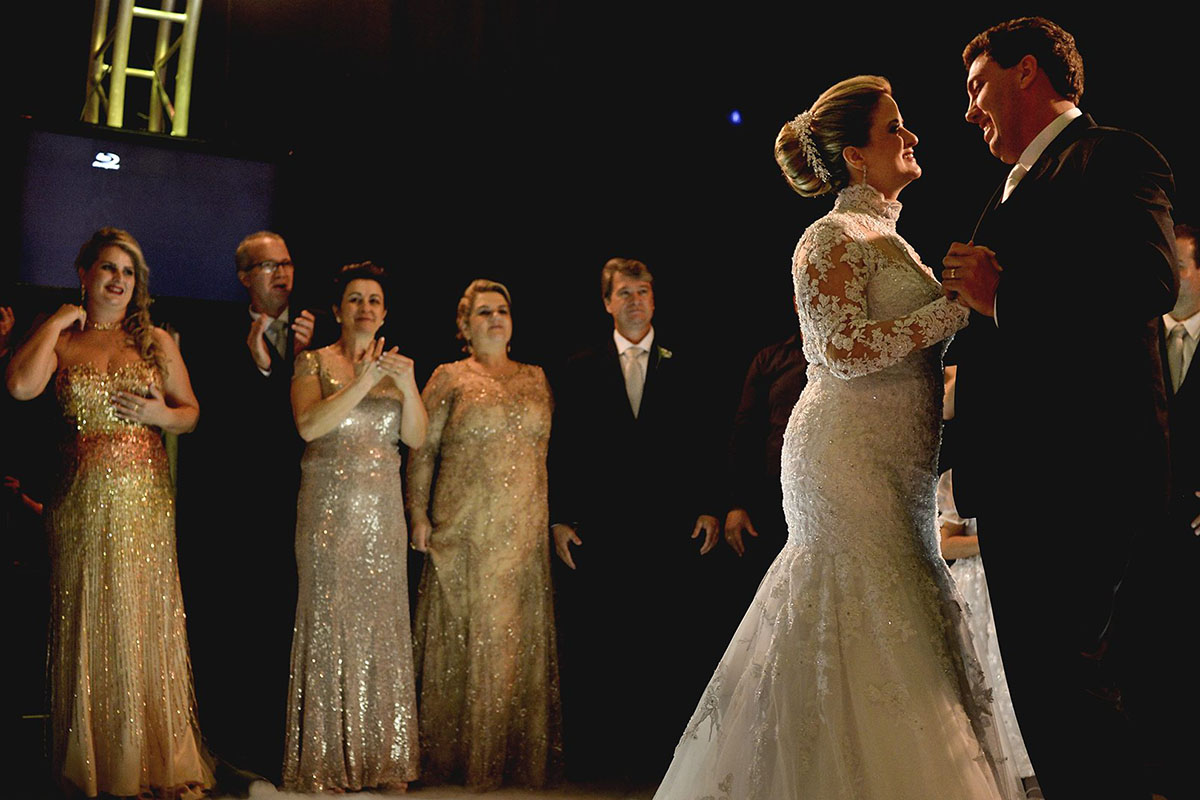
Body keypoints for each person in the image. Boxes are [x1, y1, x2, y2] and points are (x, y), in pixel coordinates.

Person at [653, 77, 1020, 800]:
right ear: (855, 156)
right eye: (895, 128)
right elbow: (840, 350)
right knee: (860, 608)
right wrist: (957, 310)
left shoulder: (891, 239)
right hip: (845, 459)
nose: (911, 138)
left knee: (898, 611)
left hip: (900, 466)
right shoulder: (828, 237)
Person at [942, 17, 1177, 799]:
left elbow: (1149, 280)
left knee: (1069, 682)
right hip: (1021, 483)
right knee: (1043, 690)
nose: (969, 110)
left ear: (1028, 72)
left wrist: (1002, 296)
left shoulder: (1114, 157)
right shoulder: (1008, 187)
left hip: (1083, 476)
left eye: (978, 86)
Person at [5, 227, 211, 799]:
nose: (118, 280)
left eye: (128, 272)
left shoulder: (155, 341)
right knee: (92, 621)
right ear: (85, 274)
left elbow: (191, 412)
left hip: (144, 500)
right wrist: (54, 322)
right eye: (108, 268)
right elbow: (19, 386)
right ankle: (105, 766)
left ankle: (156, 761)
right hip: (79, 502)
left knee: (142, 620)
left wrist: (160, 416)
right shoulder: (64, 340)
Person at [549, 257, 722, 782]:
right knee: (608, 644)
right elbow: (563, 448)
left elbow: (708, 437)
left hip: (670, 527)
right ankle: (608, 761)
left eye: (643, 291)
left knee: (666, 642)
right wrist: (560, 518)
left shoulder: (686, 361)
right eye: (624, 292)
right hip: (604, 529)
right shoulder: (579, 366)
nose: (635, 301)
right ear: (607, 302)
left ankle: (664, 762)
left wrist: (710, 504)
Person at [406, 278, 562, 790]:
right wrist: (417, 513)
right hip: (465, 527)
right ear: (464, 326)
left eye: (502, 311)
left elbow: (551, 455)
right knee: (463, 639)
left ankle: (509, 756)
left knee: (513, 644)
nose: (495, 319)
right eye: (484, 312)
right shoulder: (449, 376)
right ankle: (457, 757)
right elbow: (422, 449)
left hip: (523, 529)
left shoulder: (536, 377)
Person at [175, 230, 316, 783]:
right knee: (242, 629)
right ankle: (236, 749)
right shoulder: (214, 334)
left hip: (309, 503)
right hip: (241, 513)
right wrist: (260, 368)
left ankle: (294, 748)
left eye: (287, 263)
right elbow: (216, 427)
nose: (282, 274)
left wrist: (300, 362)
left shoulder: (320, 332)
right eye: (268, 266)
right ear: (243, 278)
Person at [283, 261, 426, 793]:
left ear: (384, 313)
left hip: (382, 513)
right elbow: (309, 425)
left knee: (382, 626)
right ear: (338, 310)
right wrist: (364, 380)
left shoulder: (397, 368)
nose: (365, 308)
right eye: (355, 299)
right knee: (330, 623)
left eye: (374, 300)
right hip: (328, 511)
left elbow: (416, 438)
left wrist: (406, 384)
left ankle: (383, 760)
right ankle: (328, 760)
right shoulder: (313, 361)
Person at [723, 328, 807, 598]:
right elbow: (744, 431)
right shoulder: (771, 359)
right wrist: (737, 503)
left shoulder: (849, 357)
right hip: (771, 494)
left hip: (830, 492)